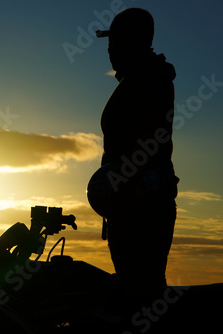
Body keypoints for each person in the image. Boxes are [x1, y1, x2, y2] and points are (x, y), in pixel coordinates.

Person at [94, 8, 179, 309]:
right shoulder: (142, 79)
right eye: (109, 46)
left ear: (131, 44)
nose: (110, 52)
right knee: (140, 292)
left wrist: (120, 187)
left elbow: (147, 147)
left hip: (142, 209)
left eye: (114, 45)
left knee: (142, 294)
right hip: (133, 207)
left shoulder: (147, 82)